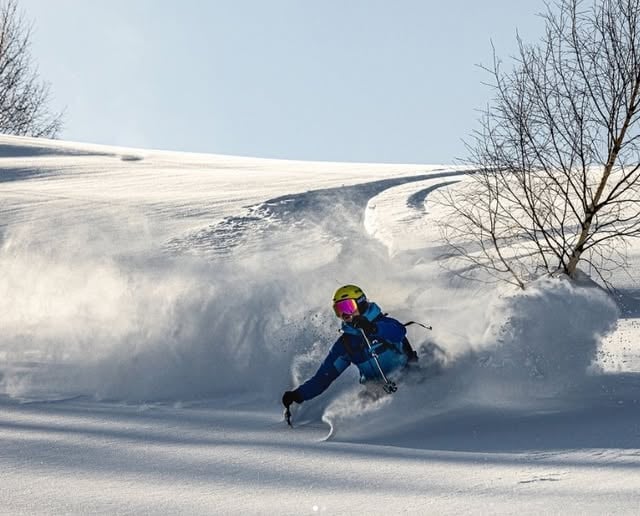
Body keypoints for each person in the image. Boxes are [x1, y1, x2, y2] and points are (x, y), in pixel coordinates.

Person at [282, 284, 418, 410]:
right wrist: (297, 395)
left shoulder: (384, 324)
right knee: (361, 408)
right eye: (339, 310)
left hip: (409, 381)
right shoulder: (345, 344)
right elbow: (323, 378)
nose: (344, 315)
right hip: (377, 393)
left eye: (347, 307)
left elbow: (398, 332)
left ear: (361, 303)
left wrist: (372, 328)